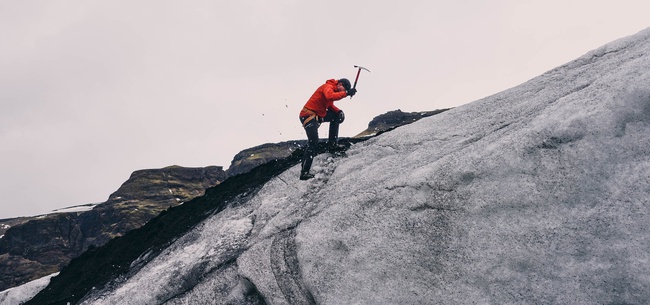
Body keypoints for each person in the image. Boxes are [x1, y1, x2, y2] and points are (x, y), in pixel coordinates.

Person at [298, 78, 357, 180]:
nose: (343, 92)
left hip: (317, 116)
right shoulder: (327, 87)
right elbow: (330, 96)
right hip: (308, 116)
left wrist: (339, 112)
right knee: (313, 143)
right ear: (340, 84)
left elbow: (329, 105)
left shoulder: (333, 89)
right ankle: (304, 172)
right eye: (343, 89)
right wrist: (347, 93)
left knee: (336, 116)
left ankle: (332, 145)